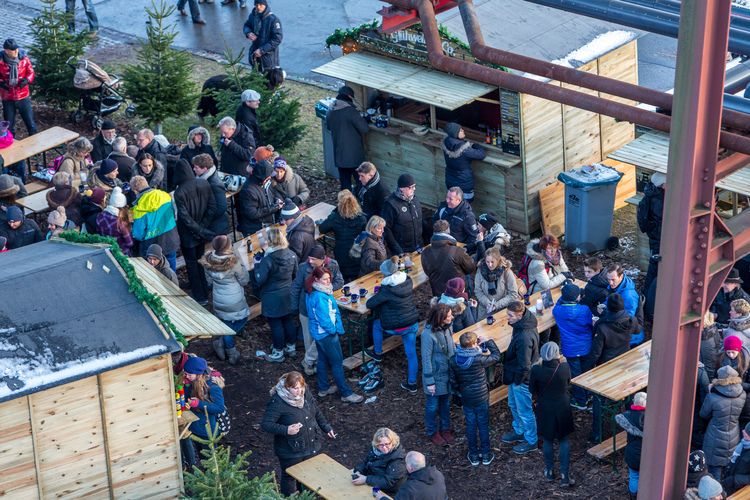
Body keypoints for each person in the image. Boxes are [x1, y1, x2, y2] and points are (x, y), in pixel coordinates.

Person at [261, 371, 335, 496]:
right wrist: (286, 430)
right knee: (290, 476)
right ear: (287, 387)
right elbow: (266, 424)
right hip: (290, 450)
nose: (299, 391)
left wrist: (326, 427)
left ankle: (306, 497)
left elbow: (316, 411)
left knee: (308, 474)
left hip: (310, 444)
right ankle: (289, 498)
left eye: (301, 387)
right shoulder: (278, 402)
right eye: (295, 388)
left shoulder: (305, 393)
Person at [305, 266, 364, 403]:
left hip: (319, 334)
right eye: (324, 279)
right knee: (337, 362)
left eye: (328, 278)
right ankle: (346, 393)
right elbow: (324, 319)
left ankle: (323, 388)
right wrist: (334, 331)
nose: (328, 281)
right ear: (316, 279)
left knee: (323, 360)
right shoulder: (320, 296)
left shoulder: (314, 291)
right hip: (326, 335)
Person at [585, 293, 638, 441]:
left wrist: (586, 369)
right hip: (624, 363)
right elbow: (638, 330)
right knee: (628, 395)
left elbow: (596, 352)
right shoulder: (630, 320)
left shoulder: (602, 326)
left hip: (606, 367)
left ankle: (597, 434)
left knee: (598, 399)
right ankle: (632, 422)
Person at [364, 256, 421, 392]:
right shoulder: (407, 281)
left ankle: (377, 353)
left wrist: (376, 295)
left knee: (376, 324)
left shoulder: (387, 289)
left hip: (395, 327)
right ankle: (412, 383)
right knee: (411, 354)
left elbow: (369, 304)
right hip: (412, 323)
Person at [290, 244, 344, 375]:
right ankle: (309, 365)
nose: (310, 261)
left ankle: (319, 363)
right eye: (309, 258)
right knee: (309, 339)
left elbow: (339, 281)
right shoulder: (304, 268)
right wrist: (294, 308)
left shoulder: (333, 264)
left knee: (322, 338)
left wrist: (325, 289)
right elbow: (296, 287)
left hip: (325, 309)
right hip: (306, 309)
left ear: (322, 259)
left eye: (313, 259)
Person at [449, 330, 501, 466]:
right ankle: (485, 454)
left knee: (471, 425)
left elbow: (453, 381)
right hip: (481, 396)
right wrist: (488, 341)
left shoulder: (453, 360)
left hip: (466, 397)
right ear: (474, 344)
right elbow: (496, 356)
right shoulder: (479, 359)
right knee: (483, 425)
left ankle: (473, 455)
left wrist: (460, 391)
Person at [530, 341, 575, 487]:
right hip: (562, 407)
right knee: (564, 440)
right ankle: (565, 476)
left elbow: (532, 389)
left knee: (548, 440)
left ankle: (549, 471)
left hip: (545, 408)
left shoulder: (536, 370)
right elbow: (568, 383)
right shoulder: (564, 367)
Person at [173, 159, 218, 304]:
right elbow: (212, 208)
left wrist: (199, 230)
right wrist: (203, 229)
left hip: (188, 235)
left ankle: (200, 296)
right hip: (201, 232)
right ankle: (204, 289)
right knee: (200, 260)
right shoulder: (204, 183)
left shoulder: (179, 192)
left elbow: (185, 219)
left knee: (192, 265)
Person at [201, 235, 249, 365]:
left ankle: (221, 342)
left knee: (226, 323)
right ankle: (230, 351)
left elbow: (209, 281)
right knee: (239, 322)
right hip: (235, 300)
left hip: (219, 298)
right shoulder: (233, 263)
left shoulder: (208, 261)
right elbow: (244, 280)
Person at [253, 227, 298, 362]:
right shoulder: (292, 254)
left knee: (276, 324)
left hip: (272, 297)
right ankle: (291, 347)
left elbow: (260, 279)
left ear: (270, 241)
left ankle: (278, 352)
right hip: (288, 294)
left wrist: (256, 265)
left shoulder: (268, 260)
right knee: (288, 320)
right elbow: (295, 273)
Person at [501, 301, 540, 455]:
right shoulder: (521, 326)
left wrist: (518, 381)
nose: (507, 318)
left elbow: (525, 365)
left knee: (524, 410)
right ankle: (519, 430)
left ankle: (531, 440)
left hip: (522, 379)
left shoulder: (524, 336)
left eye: (510, 316)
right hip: (515, 376)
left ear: (519, 315)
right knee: (513, 404)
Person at [552, 283, 593, 410]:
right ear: (577, 298)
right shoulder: (585, 310)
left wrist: (563, 297)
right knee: (587, 371)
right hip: (586, 346)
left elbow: (557, 304)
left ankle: (581, 401)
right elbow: (590, 323)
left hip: (571, 349)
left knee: (576, 375)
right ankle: (588, 395)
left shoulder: (558, 311)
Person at [421, 303, 456, 446]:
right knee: (432, 406)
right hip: (435, 377)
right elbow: (426, 358)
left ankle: (445, 428)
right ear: (440, 318)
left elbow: (451, 347)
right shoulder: (427, 335)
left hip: (447, 374)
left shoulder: (448, 328)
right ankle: (432, 432)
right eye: (449, 316)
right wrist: (429, 381)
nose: (452, 317)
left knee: (446, 404)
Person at [130, 175, 180, 271]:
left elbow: (138, 234)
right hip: (170, 237)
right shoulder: (164, 195)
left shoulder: (140, 207)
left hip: (152, 244)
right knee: (170, 267)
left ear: (135, 190)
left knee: (154, 272)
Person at [318, 189, 367, 282]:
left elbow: (322, 228)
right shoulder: (362, 218)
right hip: (356, 251)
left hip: (341, 252)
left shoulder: (335, 218)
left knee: (343, 277)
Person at [326, 86, 368, 191]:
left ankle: (346, 205)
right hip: (354, 156)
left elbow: (329, 127)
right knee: (360, 182)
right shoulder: (350, 111)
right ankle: (361, 204)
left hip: (339, 155)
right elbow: (364, 129)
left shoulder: (330, 110)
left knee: (345, 186)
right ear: (349, 96)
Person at [422, 219, 476, 298]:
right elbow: (470, 268)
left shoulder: (425, 252)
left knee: (443, 310)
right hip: (458, 291)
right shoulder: (457, 251)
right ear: (448, 230)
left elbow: (427, 272)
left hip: (438, 293)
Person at [182, 356, 225, 453]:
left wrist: (198, 404)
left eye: (189, 374)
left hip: (208, 431)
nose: (186, 376)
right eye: (185, 373)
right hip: (195, 427)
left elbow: (219, 408)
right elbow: (186, 398)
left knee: (210, 456)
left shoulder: (213, 387)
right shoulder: (193, 382)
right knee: (200, 453)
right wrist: (187, 386)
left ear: (198, 374)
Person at [352, 428, 407, 494]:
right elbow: (366, 462)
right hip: (373, 480)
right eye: (381, 445)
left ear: (393, 442)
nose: (384, 447)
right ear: (376, 444)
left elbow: (388, 482)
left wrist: (366, 479)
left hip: (388, 491)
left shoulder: (398, 459)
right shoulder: (375, 449)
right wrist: (358, 471)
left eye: (387, 444)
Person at [0, 39, 36, 138]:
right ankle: (10, 146)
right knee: (9, 125)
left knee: (30, 123)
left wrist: (27, 80)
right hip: (8, 98)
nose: (16, 52)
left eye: (16, 49)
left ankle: (36, 148)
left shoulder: (24, 59)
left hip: (23, 96)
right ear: (6, 51)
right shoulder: (0, 61)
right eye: (13, 50)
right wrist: (2, 83)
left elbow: (31, 72)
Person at [374, 451, 446, 500]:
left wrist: (380, 497)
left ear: (410, 467)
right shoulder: (438, 474)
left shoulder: (409, 488)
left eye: (406, 463)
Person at [442, 122, 486, 202]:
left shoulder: (446, 143)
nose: (463, 130)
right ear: (455, 134)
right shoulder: (464, 149)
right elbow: (481, 154)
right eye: (460, 130)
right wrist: (476, 145)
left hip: (450, 181)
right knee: (465, 208)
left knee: (453, 204)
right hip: (464, 183)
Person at [237, 158, 281, 236]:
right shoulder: (248, 191)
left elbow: (271, 195)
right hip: (254, 229)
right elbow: (253, 214)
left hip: (266, 224)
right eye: (268, 177)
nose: (270, 178)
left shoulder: (264, 183)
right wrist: (274, 208)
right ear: (263, 178)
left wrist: (276, 200)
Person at [616, 391, 647, 498]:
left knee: (634, 476)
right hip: (648, 455)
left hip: (632, 454)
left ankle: (634, 496)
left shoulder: (628, 416)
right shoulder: (652, 419)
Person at [637, 171, 665, 291]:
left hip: (654, 235)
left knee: (654, 264)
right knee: (655, 267)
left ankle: (648, 292)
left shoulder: (650, 193)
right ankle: (649, 294)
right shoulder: (659, 200)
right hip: (660, 238)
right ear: (662, 185)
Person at [604, 263, 644, 346]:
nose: (610, 283)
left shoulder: (629, 295)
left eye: (613, 279)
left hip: (631, 337)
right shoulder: (615, 287)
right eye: (608, 279)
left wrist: (606, 313)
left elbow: (627, 319)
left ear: (621, 276)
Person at [474, 246, 519, 318]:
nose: (490, 265)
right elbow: (478, 291)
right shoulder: (480, 270)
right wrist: (487, 303)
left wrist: (497, 305)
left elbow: (513, 294)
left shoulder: (506, 271)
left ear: (498, 260)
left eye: (492, 262)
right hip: (485, 309)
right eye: (487, 262)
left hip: (503, 308)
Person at [192, 154, 230, 237]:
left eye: (196, 167)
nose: (193, 169)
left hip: (216, 227)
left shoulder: (214, 184)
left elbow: (221, 207)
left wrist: (205, 219)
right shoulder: (203, 178)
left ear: (205, 169)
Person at [242, 0, 283, 74]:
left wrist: (262, 50)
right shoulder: (253, 16)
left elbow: (277, 39)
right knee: (255, 76)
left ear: (265, 4)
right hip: (255, 54)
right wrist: (248, 33)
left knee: (268, 79)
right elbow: (246, 25)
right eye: (256, 5)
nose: (258, 7)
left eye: (260, 4)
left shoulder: (273, 20)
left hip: (268, 57)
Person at [433, 186, 479, 251]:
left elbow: (473, 236)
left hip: (456, 250)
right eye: (447, 197)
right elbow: (435, 221)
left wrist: (465, 249)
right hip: (440, 245)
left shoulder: (467, 216)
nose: (447, 200)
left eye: (450, 199)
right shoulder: (443, 207)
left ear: (459, 200)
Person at [95, 187, 133, 256]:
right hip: (121, 254)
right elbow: (129, 243)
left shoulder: (100, 216)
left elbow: (99, 234)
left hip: (106, 252)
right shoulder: (121, 222)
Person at [723, 422, 750, 494]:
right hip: (730, 482)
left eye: (747, 432)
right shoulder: (743, 444)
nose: (743, 431)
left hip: (738, 488)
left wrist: (734, 479)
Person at [702, 311, 723, 383]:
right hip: (712, 369)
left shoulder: (705, 338)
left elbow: (709, 362)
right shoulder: (713, 329)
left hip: (708, 374)